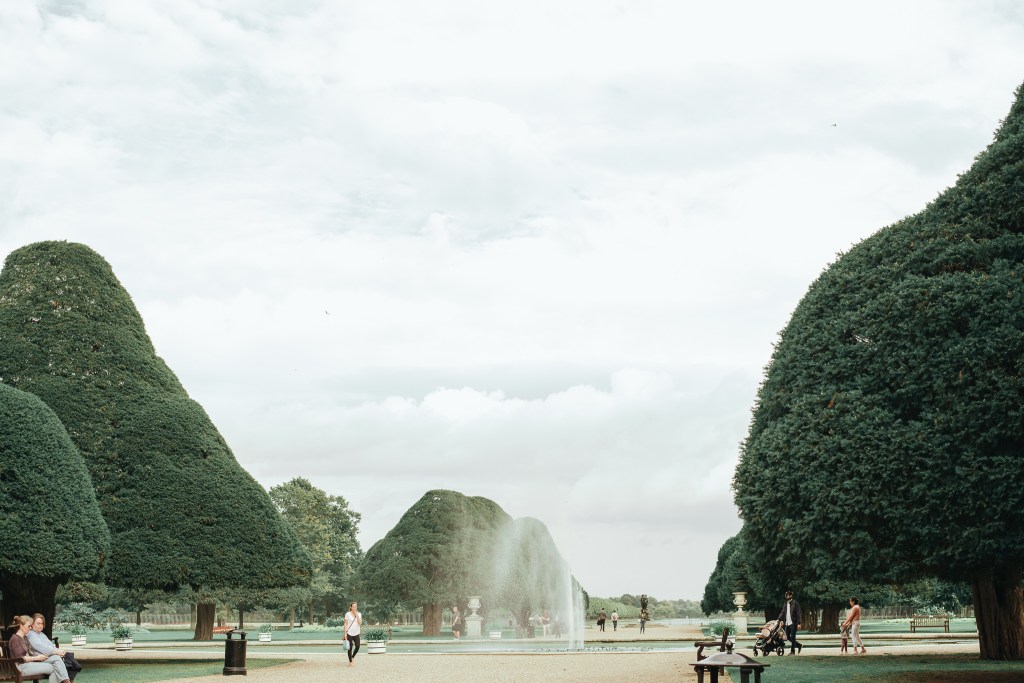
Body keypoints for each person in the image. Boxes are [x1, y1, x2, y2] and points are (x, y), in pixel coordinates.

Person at [6, 615, 71, 683]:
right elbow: (20, 658)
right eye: (29, 626)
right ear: (21, 626)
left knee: (55, 666)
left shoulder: (24, 638)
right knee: (54, 668)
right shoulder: (15, 639)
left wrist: (41, 657)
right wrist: (37, 658)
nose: (30, 628)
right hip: (20, 668)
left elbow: (30, 652)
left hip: (28, 664)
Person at [27, 614, 82, 680]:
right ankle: (67, 681)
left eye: (42, 623)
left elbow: (50, 645)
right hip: (38, 658)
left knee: (67, 657)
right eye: (38, 623)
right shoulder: (30, 634)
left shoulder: (41, 634)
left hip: (47, 657)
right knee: (57, 659)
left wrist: (59, 651)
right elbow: (41, 647)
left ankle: (68, 679)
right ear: (32, 624)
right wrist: (56, 652)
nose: (40, 626)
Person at [343, 601, 363, 667]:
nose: (354, 608)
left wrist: (357, 616)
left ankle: (352, 656)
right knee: (350, 648)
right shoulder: (347, 614)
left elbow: (360, 623)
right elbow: (345, 624)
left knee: (357, 646)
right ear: (351, 607)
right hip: (349, 633)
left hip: (356, 632)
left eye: (355, 606)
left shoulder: (359, 614)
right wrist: (345, 633)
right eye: (353, 606)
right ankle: (351, 662)